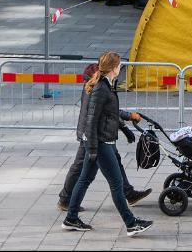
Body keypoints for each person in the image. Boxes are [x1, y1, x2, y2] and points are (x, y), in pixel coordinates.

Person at [62, 53, 153, 236]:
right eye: (119, 65)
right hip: (101, 143)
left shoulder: (106, 86)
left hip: (102, 142)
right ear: (113, 68)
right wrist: (94, 150)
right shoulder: (100, 89)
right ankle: (131, 223)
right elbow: (91, 121)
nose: (121, 68)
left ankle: (71, 218)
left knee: (85, 179)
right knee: (117, 184)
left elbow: (110, 114)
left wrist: (126, 129)